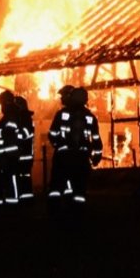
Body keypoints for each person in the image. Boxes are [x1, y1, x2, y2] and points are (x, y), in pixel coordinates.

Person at [47, 85, 103, 215]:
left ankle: (55, 213)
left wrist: (59, 146)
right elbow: (95, 139)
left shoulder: (61, 114)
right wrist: (96, 156)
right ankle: (77, 214)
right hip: (81, 159)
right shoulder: (90, 117)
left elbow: (52, 134)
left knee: (57, 186)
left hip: (63, 159)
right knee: (79, 188)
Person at [0, 90, 24, 206]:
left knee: (9, 180)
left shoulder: (10, 118)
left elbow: (8, 138)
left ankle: (11, 204)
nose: (1, 107)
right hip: (5, 155)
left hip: (7, 156)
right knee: (1, 180)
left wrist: (4, 156)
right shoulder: (10, 117)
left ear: (6, 103)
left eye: (2, 104)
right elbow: (3, 136)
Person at [13, 94, 36, 204]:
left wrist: (12, 135)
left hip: (24, 155)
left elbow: (26, 134)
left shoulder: (25, 118)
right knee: (20, 178)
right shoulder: (21, 118)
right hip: (21, 154)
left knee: (24, 177)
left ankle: (26, 201)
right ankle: (24, 199)